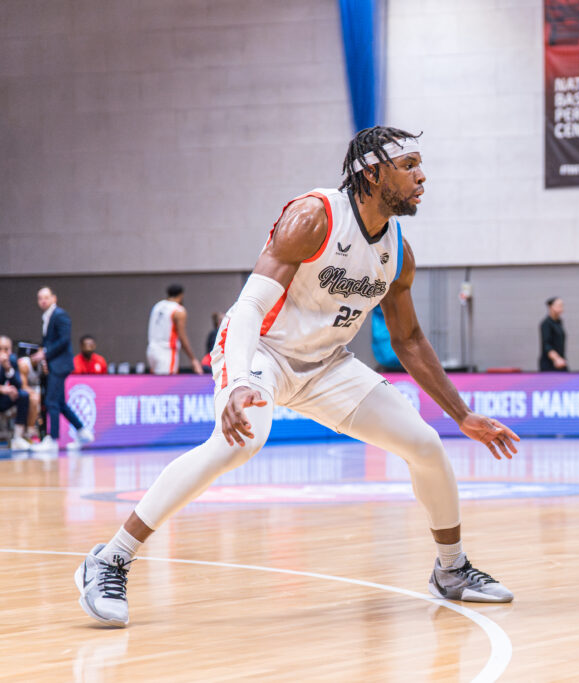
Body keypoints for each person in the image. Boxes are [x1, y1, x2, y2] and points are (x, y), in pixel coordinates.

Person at [75, 126, 520, 628]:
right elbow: (250, 306)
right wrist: (240, 378)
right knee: (237, 444)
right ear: (373, 173)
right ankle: (110, 558)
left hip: (328, 365)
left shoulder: (399, 251)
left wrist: (461, 415)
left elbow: (410, 339)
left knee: (425, 445)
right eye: (410, 165)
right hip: (261, 349)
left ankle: (452, 570)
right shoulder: (314, 216)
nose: (422, 176)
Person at [30, 287, 94, 451]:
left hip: (60, 364)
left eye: (46, 297)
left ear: (54, 298)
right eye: (40, 298)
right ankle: (82, 430)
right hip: (53, 363)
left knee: (51, 401)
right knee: (59, 402)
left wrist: (45, 353)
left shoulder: (60, 315)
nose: (43, 301)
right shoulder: (47, 317)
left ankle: (52, 440)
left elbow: (64, 340)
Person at [147, 284, 203, 375]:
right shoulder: (178, 310)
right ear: (181, 295)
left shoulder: (157, 306)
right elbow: (182, 336)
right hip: (166, 351)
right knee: (166, 384)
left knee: (156, 383)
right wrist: (192, 358)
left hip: (152, 350)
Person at [0, 336, 32, 450]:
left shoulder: (12, 360)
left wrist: (7, 369)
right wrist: (2, 388)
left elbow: (18, 384)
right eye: (1, 349)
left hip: (4, 400)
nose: (3, 352)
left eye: (6, 349)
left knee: (23, 395)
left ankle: (17, 438)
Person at [539, 297, 568, 371]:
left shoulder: (559, 322)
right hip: (550, 363)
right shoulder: (546, 324)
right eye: (559, 305)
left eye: (562, 306)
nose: (561, 308)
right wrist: (556, 359)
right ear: (551, 307)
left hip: (561, 361)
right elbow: (546, 345)